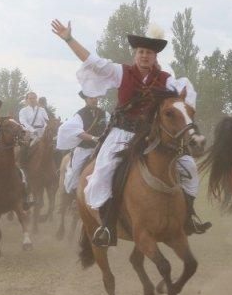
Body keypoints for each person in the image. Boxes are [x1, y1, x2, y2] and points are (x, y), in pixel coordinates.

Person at [50, 18, 211, 247]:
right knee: (103, 174)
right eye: (141, 52)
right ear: (136, 54)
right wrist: (68, 38)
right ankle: (106, 224)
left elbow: (181, 102)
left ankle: (188, 217)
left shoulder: (166, 80)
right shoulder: (120, 72)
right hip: (122, 134)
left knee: (190, 168)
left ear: (156, 57)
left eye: (149, 53)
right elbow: (92, 60)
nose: (145, 56)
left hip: (153, 136)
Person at [57, 91, 107, 195]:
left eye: (96, 97)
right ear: (86, 99)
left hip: (102, 148)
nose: (94, 100)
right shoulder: (79, 115)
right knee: (74, 175)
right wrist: (93, 138)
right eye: (91, 98)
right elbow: (76, 132)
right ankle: (74, 196)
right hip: (85, 149)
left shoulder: (104, 113)